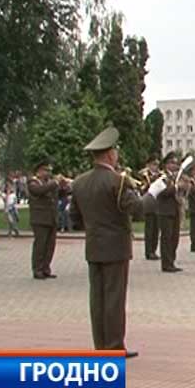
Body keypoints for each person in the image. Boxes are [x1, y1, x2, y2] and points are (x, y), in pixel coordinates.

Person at [68, 127, 141, 358]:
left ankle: (100, 346)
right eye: (115, 151)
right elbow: (137, 209)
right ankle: (114, 346)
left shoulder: (79, 182)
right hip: (116, 247)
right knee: (114, 299)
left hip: (94, 246)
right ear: (110, 155)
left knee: (97, 299)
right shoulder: (117, 182)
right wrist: (153, 195)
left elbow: (74, 217)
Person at [28, 162, 60, 279]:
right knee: (40, 246)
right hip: (40, 219)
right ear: (39, 172)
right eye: (46, 170)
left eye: (49, 171)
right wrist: (54, 183)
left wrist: (63, 185)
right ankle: (37, 269)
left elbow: (58, 194)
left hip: (51, 219)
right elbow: (39, 191)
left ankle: (46, 268)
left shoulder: (49, 184)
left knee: (50, 246)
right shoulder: (33, 182)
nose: (48, 173)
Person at [156, 152, 184, 272]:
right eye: (172, 163)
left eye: (176, 163)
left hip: (175, 209)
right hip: (165, 210)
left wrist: (183, 188)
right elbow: (161, 193)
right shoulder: (161, 177)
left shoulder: (174, 177)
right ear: (166, 164)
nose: (175, 165)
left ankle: (171, 261)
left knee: (174, 237)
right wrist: (176, 187)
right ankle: (166, 263)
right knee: (166, 238)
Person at [141, 157, 161, 260]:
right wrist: (152, 181)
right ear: (148, 165)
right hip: (148, 204)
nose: (156, 167)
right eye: (154, 164)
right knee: (149, 229)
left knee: (156, 230)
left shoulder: (160, 175)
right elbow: (142, 188)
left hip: (157, 205)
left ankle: (154, 250)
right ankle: (148, 252)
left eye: (157, 165)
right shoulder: (144, 175)